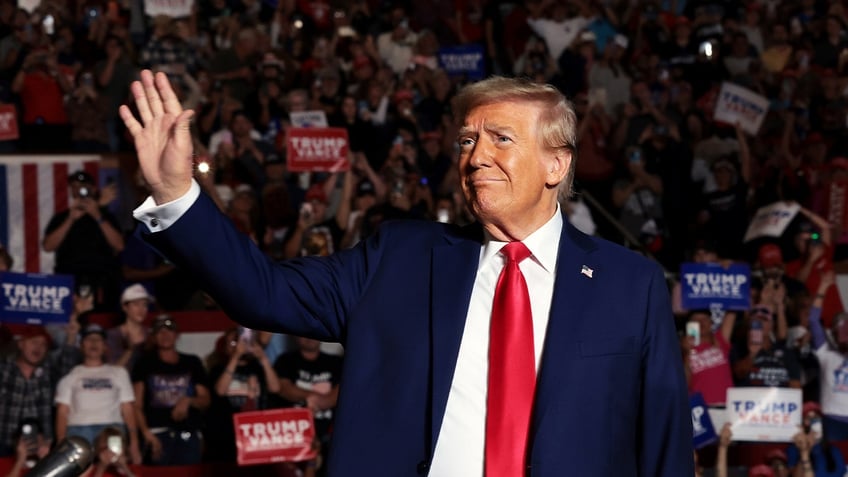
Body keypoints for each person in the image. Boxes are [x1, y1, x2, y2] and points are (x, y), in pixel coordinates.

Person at [120, 70, 692, 475]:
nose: (475, 155)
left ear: (556, 162)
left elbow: (665, 444)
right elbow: (262, 293)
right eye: (467, 139)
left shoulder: (630, 283)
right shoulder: (398, 257)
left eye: (501, 138)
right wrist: (175, 194)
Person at [54, 324, 141, 464]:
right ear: (81, 346)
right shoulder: (71, 375)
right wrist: (60, 443)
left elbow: (128, 408)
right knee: (81, 471)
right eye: (89, 340)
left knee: (115, 468)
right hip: (79, 428)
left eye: (98, 340)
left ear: (105, 346)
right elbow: (62, 411)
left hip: (112, 428)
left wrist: (134, 443)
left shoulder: (119, 373)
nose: (94, 343)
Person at [130, 315, 210, 466]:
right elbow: (136, 404)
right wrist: (146, 434)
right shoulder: (144, 363)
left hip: (188, 433)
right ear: (153, 337)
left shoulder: (191, 362)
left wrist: (188, 401)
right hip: (157, 434)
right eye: (160, 332)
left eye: (169, 331)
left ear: (177, 335)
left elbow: (205, 399)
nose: (165, 335)